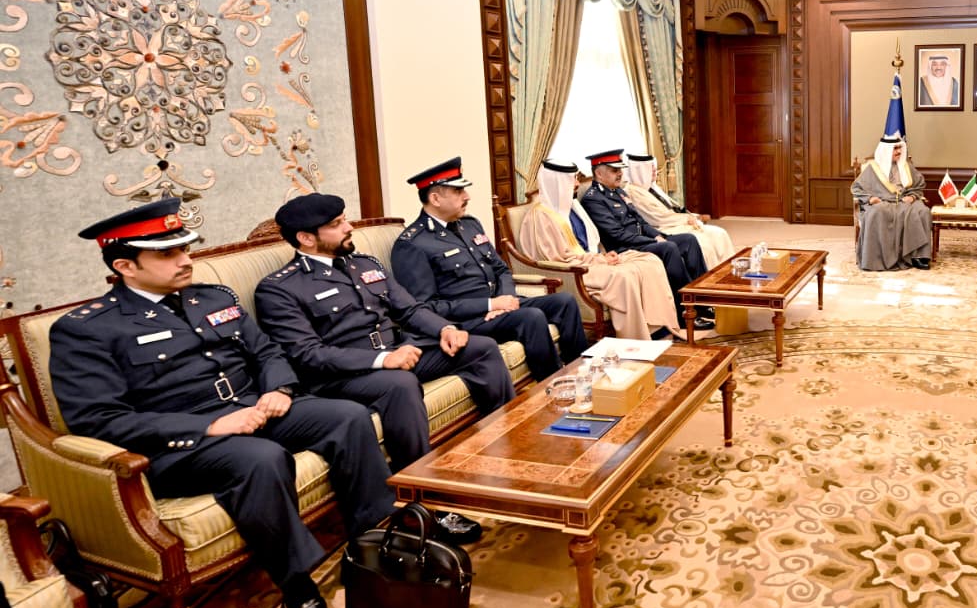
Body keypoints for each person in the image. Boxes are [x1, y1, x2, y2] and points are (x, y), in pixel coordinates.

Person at [48, 198, 395, 608]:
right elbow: (98, 420)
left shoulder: (213, 297)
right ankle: (299, 597)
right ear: (125, 266)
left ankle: (372, 546)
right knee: (262, 459)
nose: (185, 259)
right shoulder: (87, 329)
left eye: (184, 248)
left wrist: (278, 390)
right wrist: (209, 424)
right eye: (167, 254)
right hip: (181, 446)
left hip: (253, 409)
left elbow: (267, 352)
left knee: (347, 417)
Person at [254, 193, 509, 544]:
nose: (349, 227)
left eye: (345, 219)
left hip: (396, 356)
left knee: (480, 348)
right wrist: (381, 360)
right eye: (336, 224)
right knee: (399, 385)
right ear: (306, 238)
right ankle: (425, 504)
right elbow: (308, 354)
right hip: (341, 378)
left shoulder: (364, 264)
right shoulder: (279, 288)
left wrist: (444, 329)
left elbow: (410, 309)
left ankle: (502, 450)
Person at [390, 157, 586, 378]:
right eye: (458, 191)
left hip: (499, 306)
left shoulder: (469, 225)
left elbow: (501, 269)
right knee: (531, 317)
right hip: (468, 321)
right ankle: (553, 384)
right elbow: (427, 307)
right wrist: (490, 304)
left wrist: (504, 300)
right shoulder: (413, 244)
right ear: (435, 198)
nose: (467, 196)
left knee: (565, 301)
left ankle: (581, 374)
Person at [519, 159, 685, 339]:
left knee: (650, 261)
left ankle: (659, 326)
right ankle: (636, 337)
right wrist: (600, 259)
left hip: (592, 261)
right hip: (575, 271)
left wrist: (603, 256)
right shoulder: (541, 217)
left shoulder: (572, 208)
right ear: (557, 182)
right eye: (572, 179)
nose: (577, 184)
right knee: (624, 276)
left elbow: (589, 245)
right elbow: (560, 259)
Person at [580, 148, 715, 330]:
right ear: (599, 173)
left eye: (620, 169)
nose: (620, 174)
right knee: (668, 248)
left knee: (688, 240)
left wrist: (657, 235)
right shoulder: (593, 200)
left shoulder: (618, 191)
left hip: (641, 241)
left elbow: (640, 221)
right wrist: (652, 242)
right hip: (624, 248)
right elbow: (617, 234)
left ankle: (702, 302)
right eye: (614, 170)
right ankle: (685, 313)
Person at [622, 152, 735, 267]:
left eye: (653, 166)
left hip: (676, 223)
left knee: (720, 233)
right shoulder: (633, 192)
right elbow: (659, 218)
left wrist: (692, 216)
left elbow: (672, 208)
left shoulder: (651, 188)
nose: (654, 170)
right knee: (704, 245)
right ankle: (710, 276)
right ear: (640, 171)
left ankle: (729, 270)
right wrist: (687, 218)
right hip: (665, 228)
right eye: (650, 168)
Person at [852, 134, 933, 270]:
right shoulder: (873, 169)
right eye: (895, 148)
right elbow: (856, 188)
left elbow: (919, 184)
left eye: (900, 148)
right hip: (883, 201)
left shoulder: (906, 166)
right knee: (877, 212)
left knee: (923, 211)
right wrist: (870, 199)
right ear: (886, 150)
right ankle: (878, 258)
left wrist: (913, 197)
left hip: (904, 200)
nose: (899, 151)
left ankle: (918, 256)